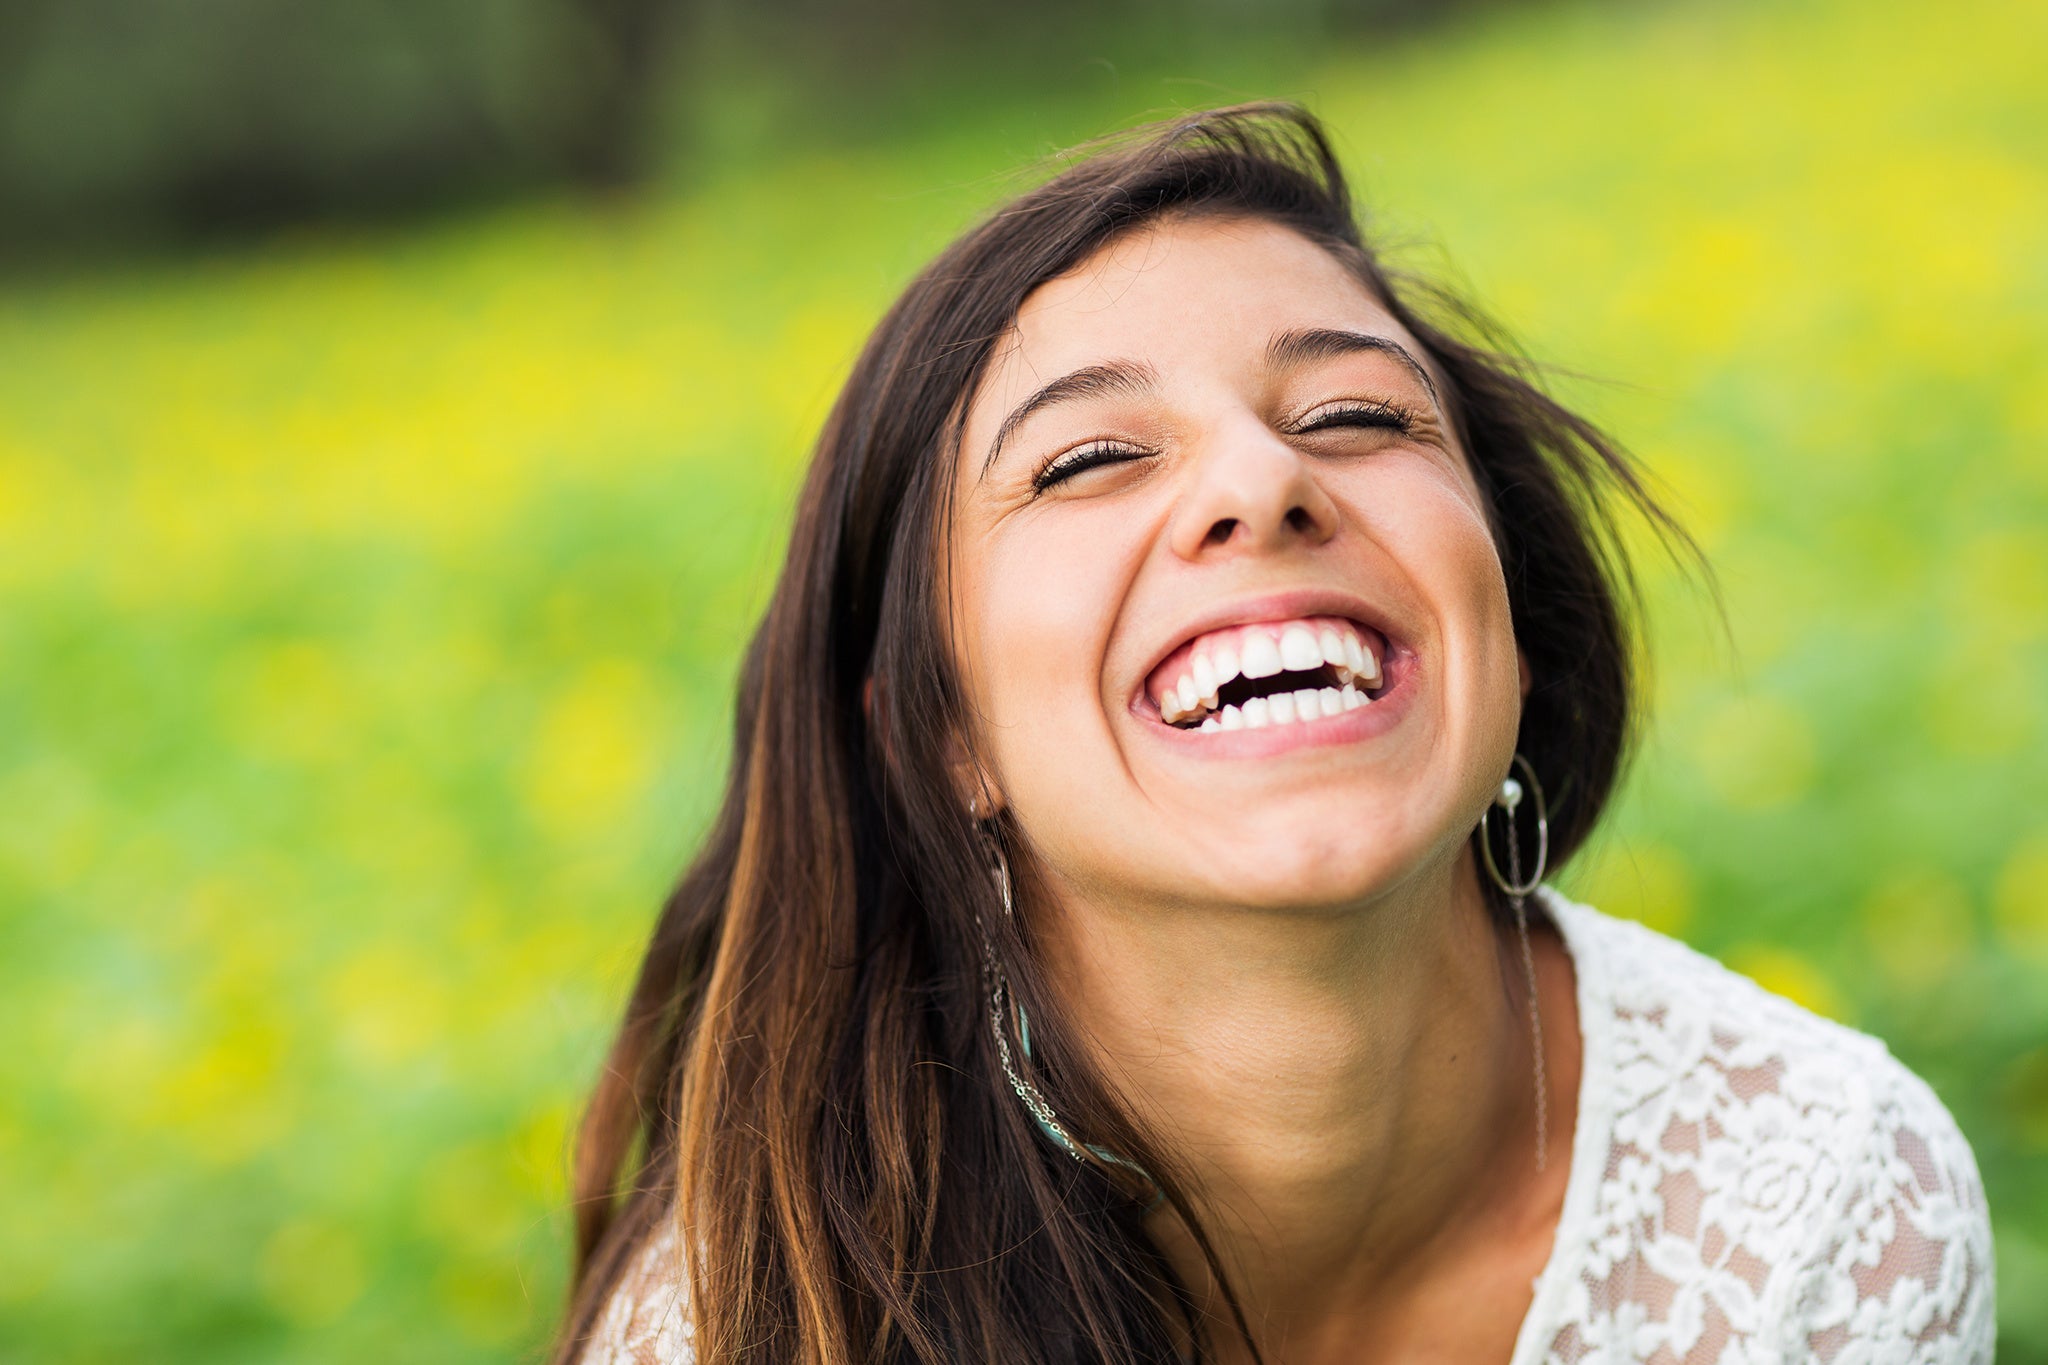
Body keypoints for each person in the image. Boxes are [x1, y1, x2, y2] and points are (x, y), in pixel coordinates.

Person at [549, 104, 1995, 1365]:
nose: (1263, 477)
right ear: (944, 741)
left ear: (1506, 607)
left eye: (1359, 413)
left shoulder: (1825, 1196)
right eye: (1092, 457)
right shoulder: (749, 1319)